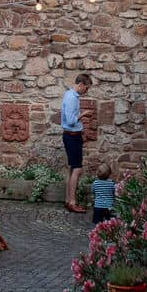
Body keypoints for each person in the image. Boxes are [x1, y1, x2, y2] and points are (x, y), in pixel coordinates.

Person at [61, 71, 91, 213]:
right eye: (86, 88)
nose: (86, 91)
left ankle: (68, 200)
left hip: (70, 136)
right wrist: (84, 114)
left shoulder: (69, 94)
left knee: (71, 168)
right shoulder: (73, 98)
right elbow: (71, 121)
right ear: (80, 84)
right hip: (72, 136)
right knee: (77, 169)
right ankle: (72, 202)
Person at [90, 161, 116, 230]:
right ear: (109, 174)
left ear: (97, 173)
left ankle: (99, 232)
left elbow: (92, 191)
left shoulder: (95, 183)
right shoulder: (112, 183)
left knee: (97, 223)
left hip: (98, 206)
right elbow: (114, 193)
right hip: (109, 207)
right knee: (110, 222)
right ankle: (109, 232)